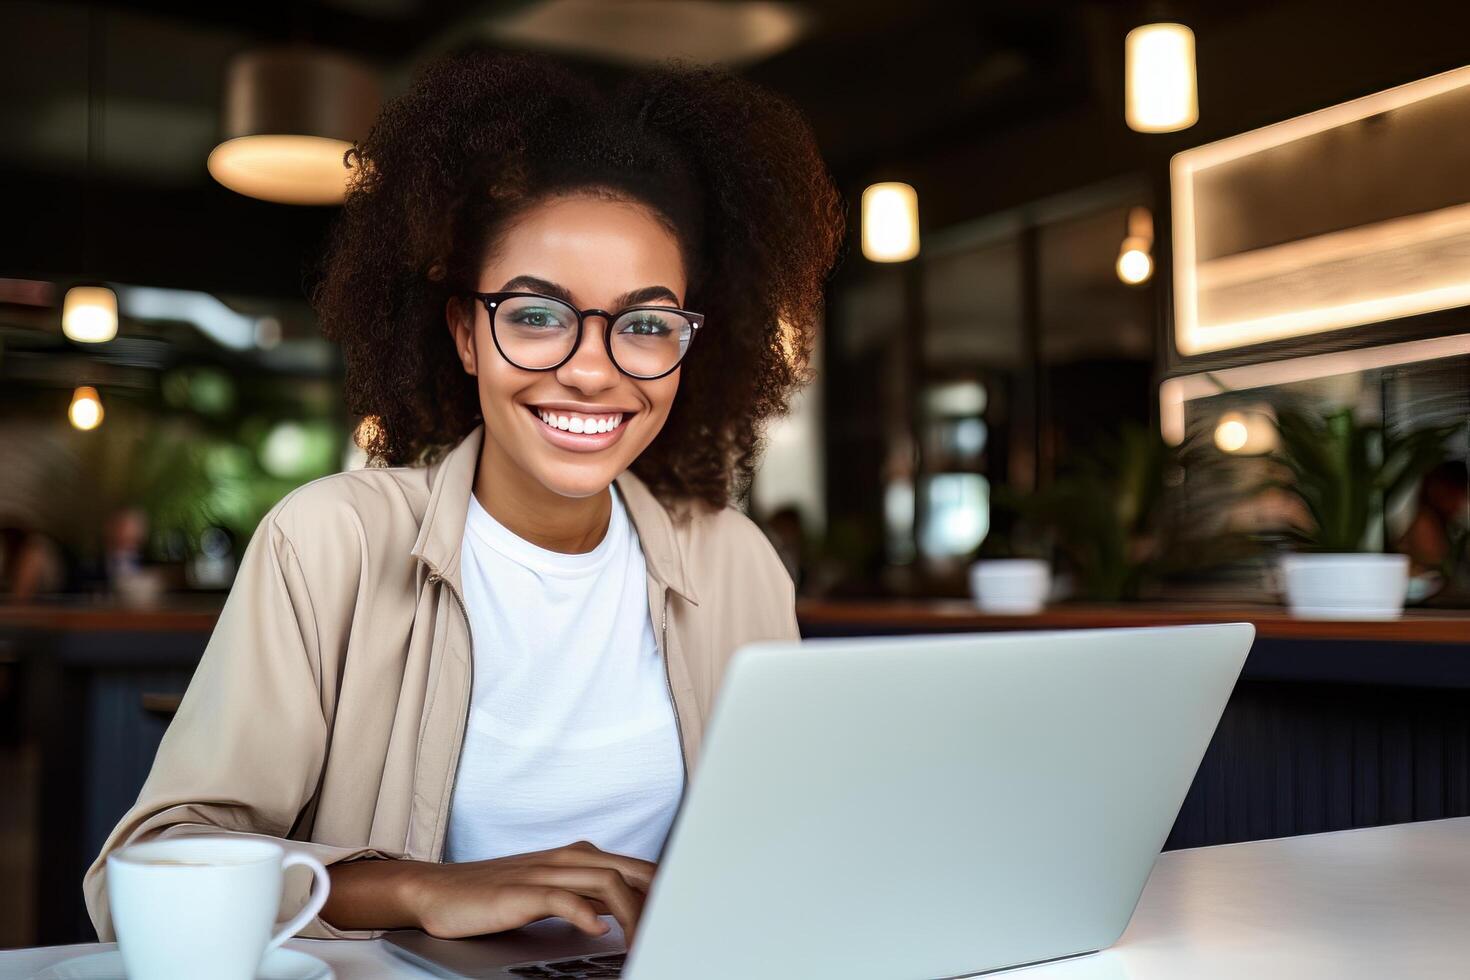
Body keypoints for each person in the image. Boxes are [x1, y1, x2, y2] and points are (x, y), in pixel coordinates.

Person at [84, 48, 844, 946]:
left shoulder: (736, 564)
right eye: (535, 315)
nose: (592, 370)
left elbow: (796, 853)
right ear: (466, 335)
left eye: (645, 324)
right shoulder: (331, 544)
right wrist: (418, 890)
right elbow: (157, 865)